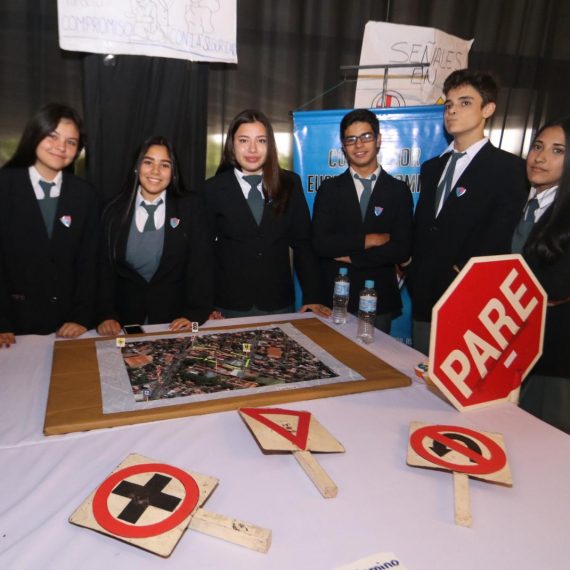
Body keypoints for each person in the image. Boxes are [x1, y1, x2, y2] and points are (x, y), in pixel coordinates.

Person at [408, 69, 528, 355]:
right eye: (448, 104)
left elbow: (501, 235)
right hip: (424, 296)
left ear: (488, 109)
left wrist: (463, 273)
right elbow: (425, 226)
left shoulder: (509, 168)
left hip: (471, 299)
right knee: (419, 375)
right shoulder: (432, 167)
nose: (452, 111)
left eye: (464, 103)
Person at [204, 109, 330, 318]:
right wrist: (203, 305)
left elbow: (303, 244)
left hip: (278, 302)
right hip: (227, 305)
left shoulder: (290, 183)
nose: (252, 149)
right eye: (244, 140)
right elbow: (202, 253)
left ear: (270, 145)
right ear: (232, 145)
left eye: (261, 140)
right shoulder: (212, 189)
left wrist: (312, 295)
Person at [0, 103, 99, 347]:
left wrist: (81, 317)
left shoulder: (84, 194)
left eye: (71, 142)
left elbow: (89, 262)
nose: (61, 147)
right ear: (35, 134)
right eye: (52, 136)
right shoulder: (5, 186)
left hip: (68, 327)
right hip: (13, 328)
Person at [96, 135, 213, 335]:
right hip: (124, 324)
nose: (155, 171)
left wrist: (194, 315)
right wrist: (106, 315)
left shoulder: (191, 208)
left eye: (165, 165)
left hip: (175, 323)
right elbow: (103, 270)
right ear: (137, 166)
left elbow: (201, 267)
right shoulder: (112, 210)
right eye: (148, 162)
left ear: (173, 172)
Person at [312, 108, 413, 333]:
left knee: (377, 356)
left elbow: (401, 249)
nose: (359, 145)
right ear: (343, 146)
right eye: (351, 139)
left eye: (366, 136)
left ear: (378, 140)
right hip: (335, 298)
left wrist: (352, 256)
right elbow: (321, 243)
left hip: (380, 298)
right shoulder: (329, 189)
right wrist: (370, 240)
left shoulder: (398, 191)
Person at [512, 118, 570, 433]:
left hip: (553, 356)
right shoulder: (519, 204)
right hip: (510, 345)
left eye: (557, 150)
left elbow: (557, 285)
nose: (541, 157)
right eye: (537, 146)